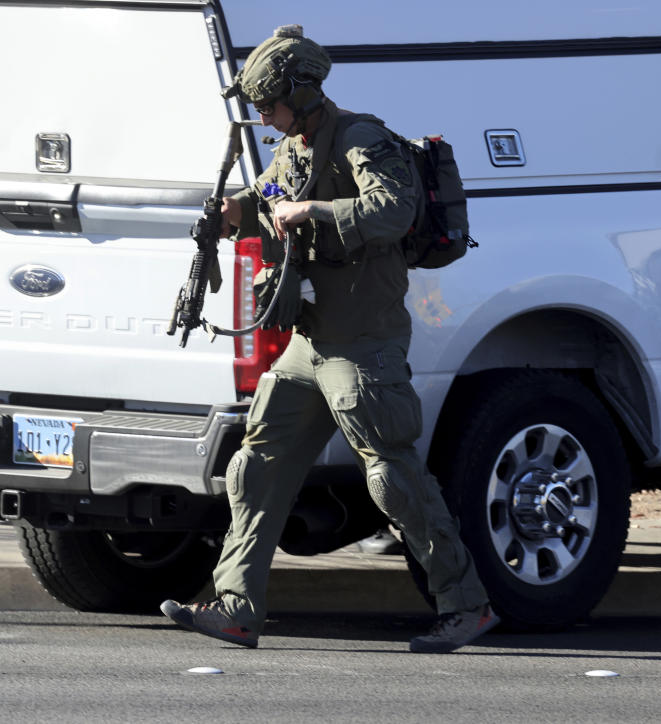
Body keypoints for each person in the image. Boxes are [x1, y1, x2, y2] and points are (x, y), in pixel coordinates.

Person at [160, 25, 498, 654]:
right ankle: (236, 606)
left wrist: (311, 214)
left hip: (362, 340)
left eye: (270, 104)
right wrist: (238, 212)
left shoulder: (362, 138)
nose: (263, 117)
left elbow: (393, 210)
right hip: (308, 343)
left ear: (302, 93)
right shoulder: (294, 147)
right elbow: (271, 199)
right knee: (255, 468)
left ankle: (466, 605)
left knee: (392, 477)